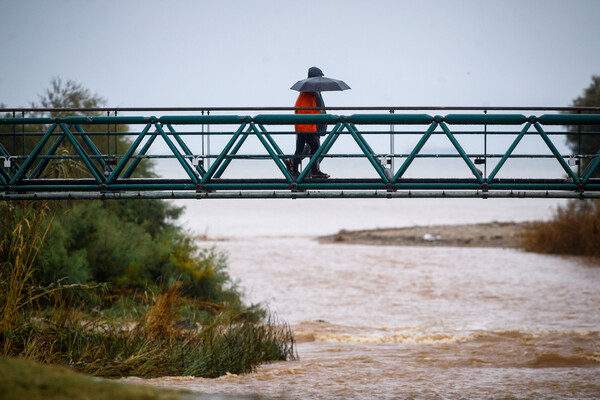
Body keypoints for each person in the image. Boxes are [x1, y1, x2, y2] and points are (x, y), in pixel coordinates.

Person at [285, 67, 330, 179]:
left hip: (307, 125)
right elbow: (308, 109)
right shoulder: (309, 92)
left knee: (306, 148)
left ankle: (296, 167)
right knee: (313, 148)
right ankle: (312, 171)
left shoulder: (312, 91)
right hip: (307, 126)